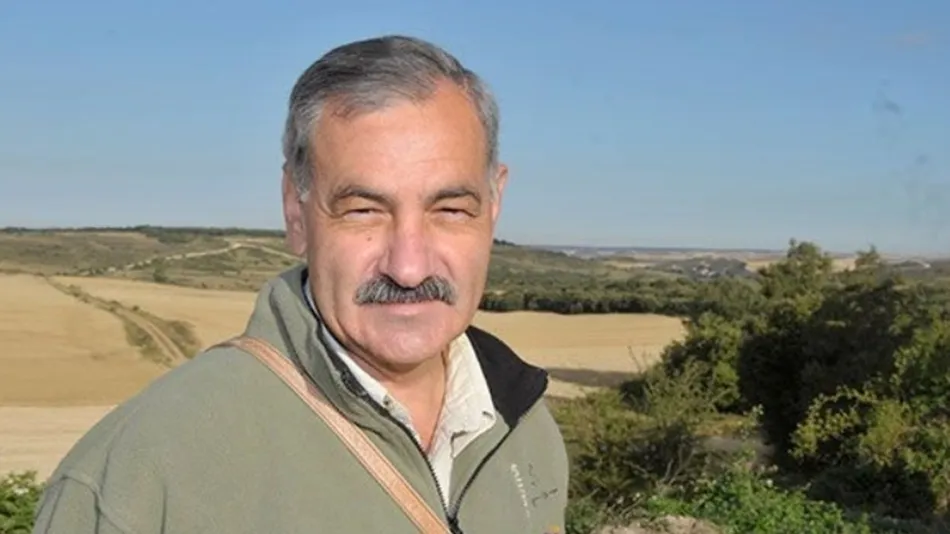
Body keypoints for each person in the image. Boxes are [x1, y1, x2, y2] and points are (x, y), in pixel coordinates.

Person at [32, 34, 569, 534]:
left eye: (450, 209)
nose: (408, 268)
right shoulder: (141, 479)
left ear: (494, 203)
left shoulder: (524, 427)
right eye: (363, 210)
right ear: (296, 210)